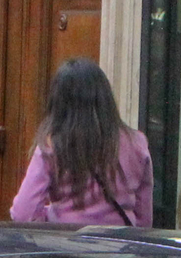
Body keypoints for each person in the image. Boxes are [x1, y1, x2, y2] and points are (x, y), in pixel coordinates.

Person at [10, 57, 154, 227]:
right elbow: (144, 219)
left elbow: (22, 212)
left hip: (68, 246)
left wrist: (51, 218)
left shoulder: (53, 145)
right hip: (120, 247)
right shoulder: (136, 143)